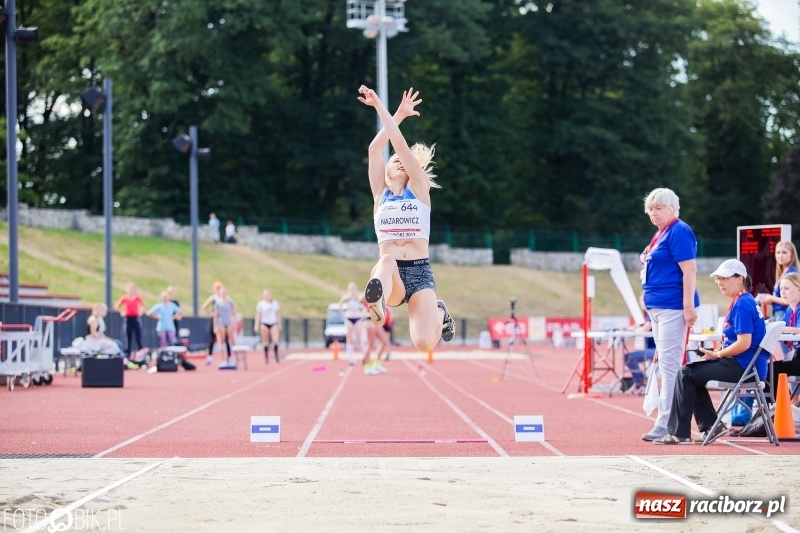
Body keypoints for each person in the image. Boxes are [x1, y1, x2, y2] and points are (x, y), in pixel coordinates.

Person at [357, 85, 454, 353]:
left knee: (423, 344)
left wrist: (389, 112)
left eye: (404, 160)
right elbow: (374, 150)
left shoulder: (420, 189)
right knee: (385, 260)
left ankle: (439, 312)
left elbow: (398, 143)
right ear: (386, 173)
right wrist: (390, 110)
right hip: (393, 276)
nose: (399, 160)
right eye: (395, 161)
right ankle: (377, 306)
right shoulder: (380, 195)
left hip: (420, 272)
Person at [654, 259, 766, 444]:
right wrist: (715, 353)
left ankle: (679, 433)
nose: (720, 283)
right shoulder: (743, 301)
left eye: (724, 278)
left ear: (739, 279)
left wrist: (717, 354)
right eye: (718, 279)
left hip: (743, 367)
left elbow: (744, 343)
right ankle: (711, 425)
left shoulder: (743, 304)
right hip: (743, 365)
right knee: (691, 373)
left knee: (686, 373)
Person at [639, 188, 699, 442]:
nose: (654, 213)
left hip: (673, 307)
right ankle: (678, 420)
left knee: (670, 365)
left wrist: (687, 306)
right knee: (667, 363)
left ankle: (666, 422)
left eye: (659, 207)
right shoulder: (661, 233)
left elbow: (690, 269)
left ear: (673, 208)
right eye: (651, 209)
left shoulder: (678, 231)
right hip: (659, 306)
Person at [757, 240, 800, 322]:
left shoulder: (792, 273)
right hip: (779, 313)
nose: (780, 256)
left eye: (784, 252)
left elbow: (792, 299)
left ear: (792, 254)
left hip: (785, 313)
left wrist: (771, 298)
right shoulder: (783, 271)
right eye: (778, 252)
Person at [115, 282, 146, 362]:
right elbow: (117, 305)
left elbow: (143, 305)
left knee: (138, 335)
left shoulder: (138, 298)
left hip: (136, 318)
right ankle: (127, 353)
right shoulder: (125, 298)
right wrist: (122, 312)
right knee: (128, 336)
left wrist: (140, 312)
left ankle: (141, 352)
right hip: (128, 318)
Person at [339, 282, 366, 366]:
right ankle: (351, 359)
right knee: (349, 338)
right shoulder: (346, 298)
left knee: (359, 338)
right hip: (349, 318)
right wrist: (344, 315)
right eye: (351, 288)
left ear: (356, 289)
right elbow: (339, 307)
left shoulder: (359, 297)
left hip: (357, 318)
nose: (352, 290)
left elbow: (366, 306)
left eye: (354, 288)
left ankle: (364, 356)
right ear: (348, 289)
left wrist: (362, 315)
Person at [255, 289, 281, 363]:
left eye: (268, 295)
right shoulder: (260, 304)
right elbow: (258, 315)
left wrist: (279, 324)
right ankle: (266, 357)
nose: (267, 296)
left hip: (273, 323)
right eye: (265, 295)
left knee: (275, 340)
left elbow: (278, 314)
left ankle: (276, 355)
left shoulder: (275, 303)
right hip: (264, 323)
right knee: (265, 341)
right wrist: (256, 325)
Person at [201, 281, 224, 365]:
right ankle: (210, 356)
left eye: (220, 288)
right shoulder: (213, 298)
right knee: (212, 338)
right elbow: (204, 307)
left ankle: (226, 357)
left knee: (224, 339)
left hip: (222, 320)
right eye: (217, 288)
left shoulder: (224, 298)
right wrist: (210, 314)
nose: (218, 290)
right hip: (214, 319)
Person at [214, 287, 238, 368]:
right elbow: (215, 315)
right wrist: (215, 325)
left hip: (229, 322)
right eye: (222, 293)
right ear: (220, 293)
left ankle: (234, 358)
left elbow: (234, 312)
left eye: (225, 293)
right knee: (222, 341)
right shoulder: (218, 303)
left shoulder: (230, 302)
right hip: (221, 322)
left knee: (232, 340)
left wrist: (234, 322)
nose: (223, 294)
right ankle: (223, 360)